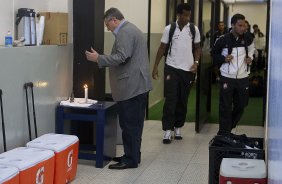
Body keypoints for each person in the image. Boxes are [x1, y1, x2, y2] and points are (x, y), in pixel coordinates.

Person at [85, 7, 152, 169]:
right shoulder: (130, 29)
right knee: (134, 125)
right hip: (137, 86)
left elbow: (122, 57)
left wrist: (98, 59)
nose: (107, 28)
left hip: (131, 87)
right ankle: (133, 155)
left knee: (129, 125)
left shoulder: (125, 32)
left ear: (114, 19)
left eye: (108, 24)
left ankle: (130, 159)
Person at [152, 3, 201, 144]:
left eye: (189, 15)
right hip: (171, 68)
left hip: (187, 71)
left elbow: (197, 48)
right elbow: (162, 48)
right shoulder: (170, 29)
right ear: (178, 15)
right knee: (171, 99)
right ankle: (167, 130)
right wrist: (155, 66)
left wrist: (196, 63)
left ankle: (178, 127)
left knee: (182, 100)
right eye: (185, 15)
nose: (187, 18)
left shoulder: (193, 29)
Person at [212, 14, 255, 136]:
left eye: (244, 25)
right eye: (240, 25)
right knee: (225, 106)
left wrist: (250, 57)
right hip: (227, 77)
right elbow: (214, 55)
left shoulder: (247, 37)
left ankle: (228, 128)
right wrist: (224, 58)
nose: (243, 28)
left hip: (243, 78)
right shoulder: (222, 39)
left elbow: (252, 48)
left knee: (241, 105)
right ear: (232, 25)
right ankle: (223, 133)